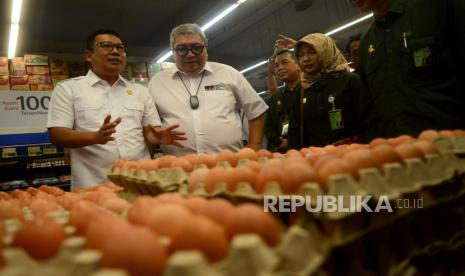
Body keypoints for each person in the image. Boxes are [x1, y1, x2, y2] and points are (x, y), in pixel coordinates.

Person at [47, 29, 186, 188]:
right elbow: (57, 135)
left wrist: (155, 138)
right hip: (93, 184)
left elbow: (151, 131)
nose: (115, 51)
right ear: (88, 55)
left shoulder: (141, 91)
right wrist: (95, 137)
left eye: (120, 48)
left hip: (140, 182)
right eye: (106, 46)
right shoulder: (68, 89)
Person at [349, 0, 465, 140]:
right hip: (399, 153)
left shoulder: (437, 8)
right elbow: (370, 108)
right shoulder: (367, 42)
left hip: (451, 144)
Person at [148, 23, 268, 156]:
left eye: (196, 48)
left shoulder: (229, 73)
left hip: (228, 164)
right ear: (173, 52)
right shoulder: (157, 82)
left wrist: (254, 145)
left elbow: (256, 110)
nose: (190, 55)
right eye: (182, 49)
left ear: (206, 48)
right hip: (178, 167)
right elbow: (149, 125)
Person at [287, 33, 366, 148]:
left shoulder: (349, 81)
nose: (306, 59)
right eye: (301, 55)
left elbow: (368, 119)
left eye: (312, 52)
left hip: (353, 154)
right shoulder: (301, 91)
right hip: (317, 159)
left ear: (325, 51)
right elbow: (295, 132)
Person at [264, 48, 301, 153]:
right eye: (276, 66)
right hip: (284, 152)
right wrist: (278, 142)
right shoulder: (275, 98)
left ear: (298, 64)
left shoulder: (309, 91)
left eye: (285, 63)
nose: (279, 68)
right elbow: (267, 125)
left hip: (311, 149)